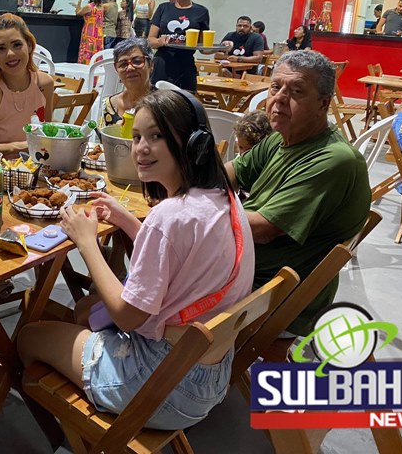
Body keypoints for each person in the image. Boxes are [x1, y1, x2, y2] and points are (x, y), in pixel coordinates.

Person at [17, 89, 255, 430]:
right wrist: (128, 221)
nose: (141, 148)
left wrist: (87, 243)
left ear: (192, 143)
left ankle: (59, 434)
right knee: (85, 310)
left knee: (29, 335)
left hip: (159, 386)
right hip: (210, 376)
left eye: (156, 136)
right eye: (137, 136)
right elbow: (179, 254)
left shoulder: (169, 216)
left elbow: (127, 317)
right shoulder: (224, 198)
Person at [227, 50, 370, 335]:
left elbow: (263, 229)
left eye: (296, 91)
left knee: (155, 291)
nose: (279, 98)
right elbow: (228, 174)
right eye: (275, 87)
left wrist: (192, 213)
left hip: (272, 297)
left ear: (323, 103)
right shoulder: (282, 138)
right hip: (245, 272)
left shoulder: (333, 160)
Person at [0, 13, 54, 158]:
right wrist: (18, 147)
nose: (10, 53)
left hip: (34, 167)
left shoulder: (45, 84)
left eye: (17, 45)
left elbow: (46, 134)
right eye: (1, 48)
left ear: (29, 45)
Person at [148, 0, 209, 91]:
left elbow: (203, 47)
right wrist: (160, 41)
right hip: (162, 65)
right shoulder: (163, 8)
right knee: (157, 101)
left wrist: (225, 47)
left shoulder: (201, 12)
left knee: (185, 101)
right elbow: (150, 41)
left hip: (186, 67)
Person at [101, 38, 154, 127]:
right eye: (123, 64)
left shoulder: (163, 105)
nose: (130, 68)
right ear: (116, 69)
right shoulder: (110, 106)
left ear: (151, 65)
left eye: (137, 61)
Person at [73, 0, 104, 64]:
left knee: (87, 51)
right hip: (99, 32)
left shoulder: (89, 6)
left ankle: (85, 67)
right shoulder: (101, 5)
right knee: (96, 51)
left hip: (90, 32)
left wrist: (80, 1)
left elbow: (78, 13)